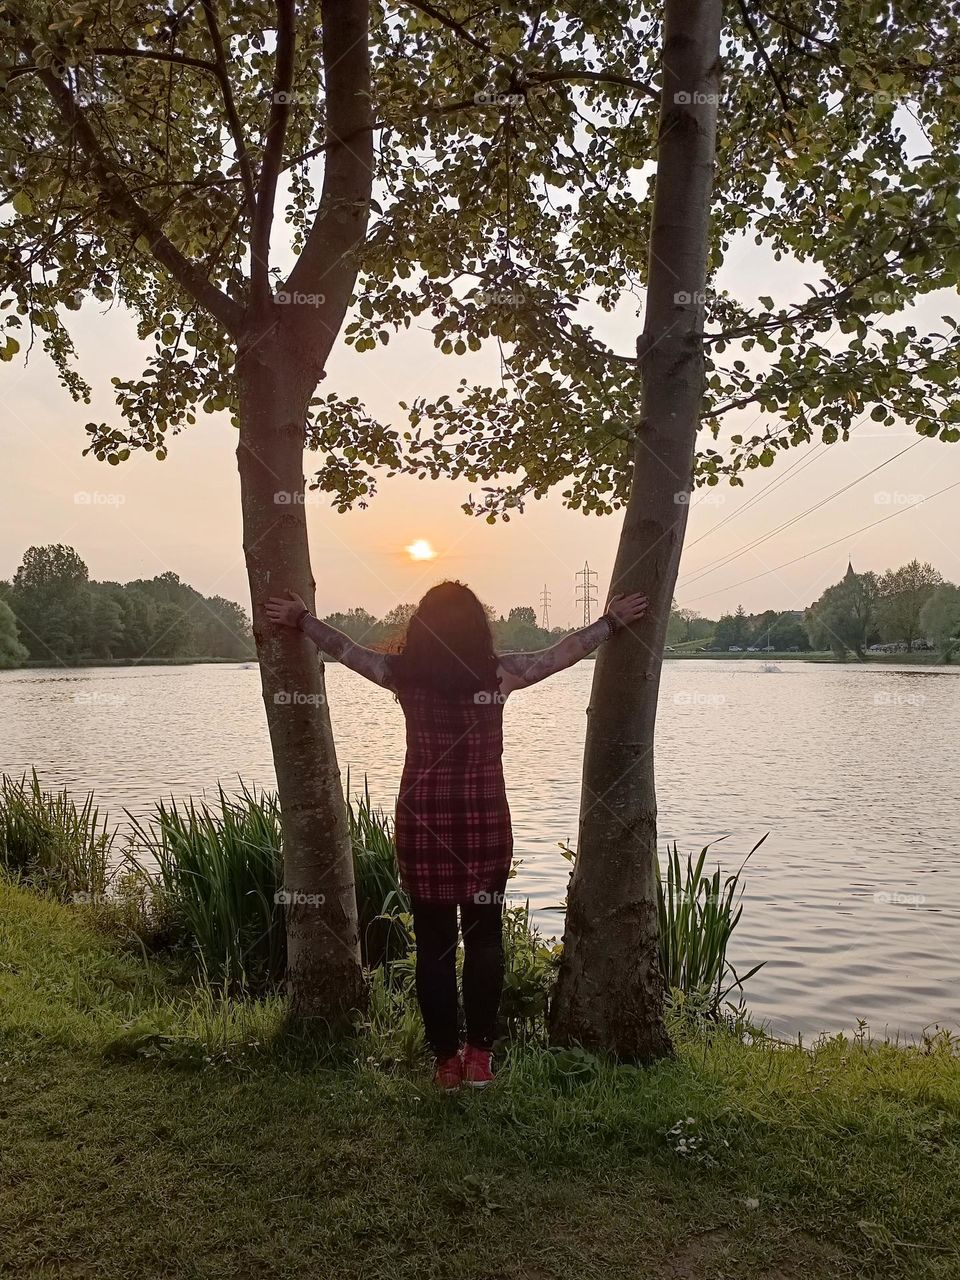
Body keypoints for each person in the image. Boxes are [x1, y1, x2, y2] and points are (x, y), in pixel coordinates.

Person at [265, 580, 648, 1090]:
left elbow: (347, 650)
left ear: (420, 628)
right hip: (484, 817)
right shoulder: (500, 673)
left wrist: (301, 619)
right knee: (486, 936)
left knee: (434, 944)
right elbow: (563, 653)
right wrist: (610, 621)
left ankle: (445, 1061)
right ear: (477, 628)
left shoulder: (402, 674)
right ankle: (479, 1056)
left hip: (423, 821)